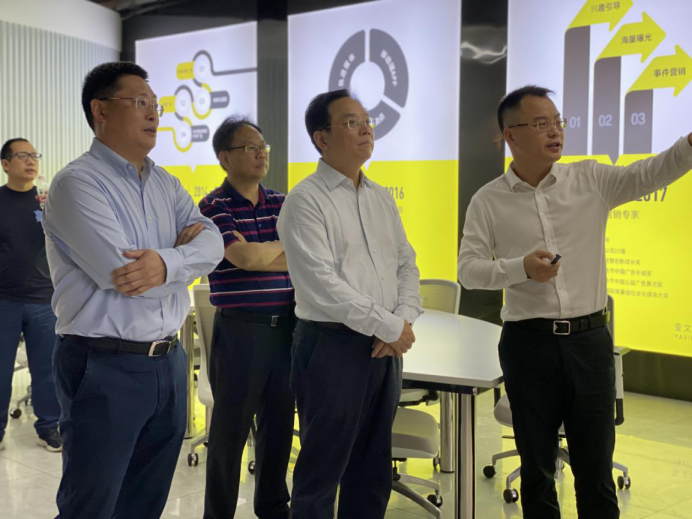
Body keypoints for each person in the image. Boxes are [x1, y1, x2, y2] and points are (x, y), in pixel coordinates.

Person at [457, 85, 692, 519]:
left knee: (596, 470)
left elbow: (651, 172)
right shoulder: (488, 200)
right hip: (528, 344)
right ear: (511, 135)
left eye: (557, 122)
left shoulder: (590, 180)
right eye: (540, 123)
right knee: (537, 471)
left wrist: (689, 144)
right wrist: (520, 268)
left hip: (590, 342)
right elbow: (468, 271)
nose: (555, 131)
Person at [42, 62, 224, 519]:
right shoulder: (76, 183)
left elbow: (213, 242)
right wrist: (182, 259)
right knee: (92, 504)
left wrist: (164, 263)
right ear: (100, 110)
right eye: (140, 103)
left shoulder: (165, 182)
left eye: (156, 105)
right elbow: (124, 277)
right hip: (104, 364)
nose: (154, 114)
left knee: (145, 502)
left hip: (169, 363)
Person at [276, 89, 423, 519]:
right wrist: (389, 327)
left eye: (367, 121)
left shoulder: (380, 196)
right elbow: (322, 285)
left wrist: (402, 320)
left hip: (383, 347)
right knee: (322, 471)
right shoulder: (305, 200)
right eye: (352, 122)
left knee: (373, 470)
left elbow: (406, 264)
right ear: (321, 138)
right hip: (331, 346)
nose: (366, 130)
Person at [199, 117, 295, 519]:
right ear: (225, 158)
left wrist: (260, 254)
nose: (261, 154)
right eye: (250, 148)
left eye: (263, 147)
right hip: (241, 332)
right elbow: (241, 257)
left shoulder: (283, 203)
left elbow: (307, 257)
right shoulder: (212, 207)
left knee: (279, 430)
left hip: (288, 330)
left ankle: (273, 508)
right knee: (229, 435)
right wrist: (278, 250)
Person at [0, 138, 62, 453]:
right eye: (22, 155)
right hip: (4, 300)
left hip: (44, 299)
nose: (31, 161)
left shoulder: (48, 202)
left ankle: (49, 427)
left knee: (47, 370)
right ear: (5, 164)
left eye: (34, 155)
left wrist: (57, 212)